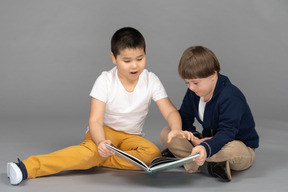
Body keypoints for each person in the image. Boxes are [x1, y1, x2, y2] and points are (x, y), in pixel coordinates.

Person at [7, 27, 193, 185]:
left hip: (131, 138)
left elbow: (169, 110)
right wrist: (100, 142)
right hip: (104, 132)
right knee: (88, 153)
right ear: (114, 58)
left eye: (140, 58)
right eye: (127, 61)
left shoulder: (150, 79)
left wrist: (176, 128)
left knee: (152, 155)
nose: (134, 66)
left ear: (145, 53)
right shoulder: (105, 80)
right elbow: (95, 120)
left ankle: (98, 159)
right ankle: (27, 167)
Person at [160, 46, 259, 182]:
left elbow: (227, 133)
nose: (191, 87)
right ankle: (210, 166)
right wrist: (193, 138)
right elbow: (185, 117)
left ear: (213, 75)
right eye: (187, 83)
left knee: (234, 151)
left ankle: (189, 160)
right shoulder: (193, 92)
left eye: (195, 82)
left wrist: (206, 146)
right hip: (207, 142)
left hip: (234, 143)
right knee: (167, 133)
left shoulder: (230, 96)